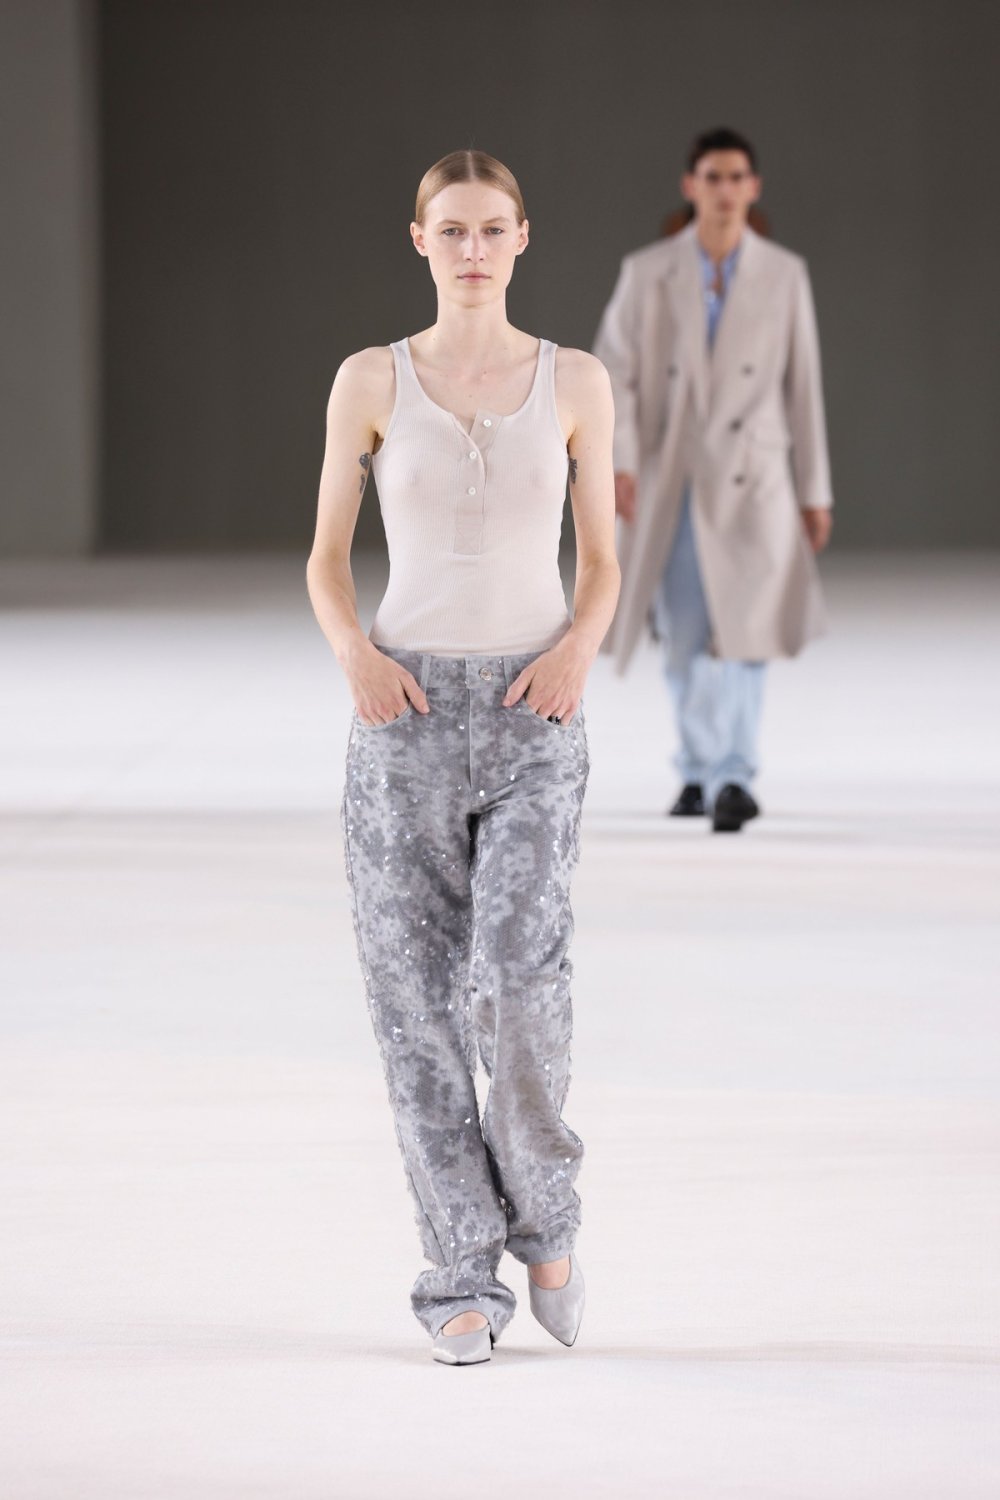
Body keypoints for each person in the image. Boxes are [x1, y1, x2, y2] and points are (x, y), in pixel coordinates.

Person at [306, 151, 619, 1365]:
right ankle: (458, 1273)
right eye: (453, 230)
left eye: (493, 228)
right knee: (415, 1007)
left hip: (537, 712)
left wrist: (580, 650)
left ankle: (546, 1218)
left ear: (523, 238)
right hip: (404, 716)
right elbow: (326, 558)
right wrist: (355, 657)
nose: (473, 248)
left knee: (520, 984)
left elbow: (601, 560)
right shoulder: (370, 379)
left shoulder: (575, 379)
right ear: (420, 241)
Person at [594, 127, 834, 832]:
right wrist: (620, 460)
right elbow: (614, 371)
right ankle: (698, 768)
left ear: (753, 187)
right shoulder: (648, 271)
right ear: (690, 185)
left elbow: (803, 386)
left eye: (736, 177)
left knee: (749, 631)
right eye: (712, 176)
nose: (725, 190)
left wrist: (814, 491)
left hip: (755, 479)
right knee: (684, 634)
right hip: (675, 477)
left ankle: (735, 774)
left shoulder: (784, 274)